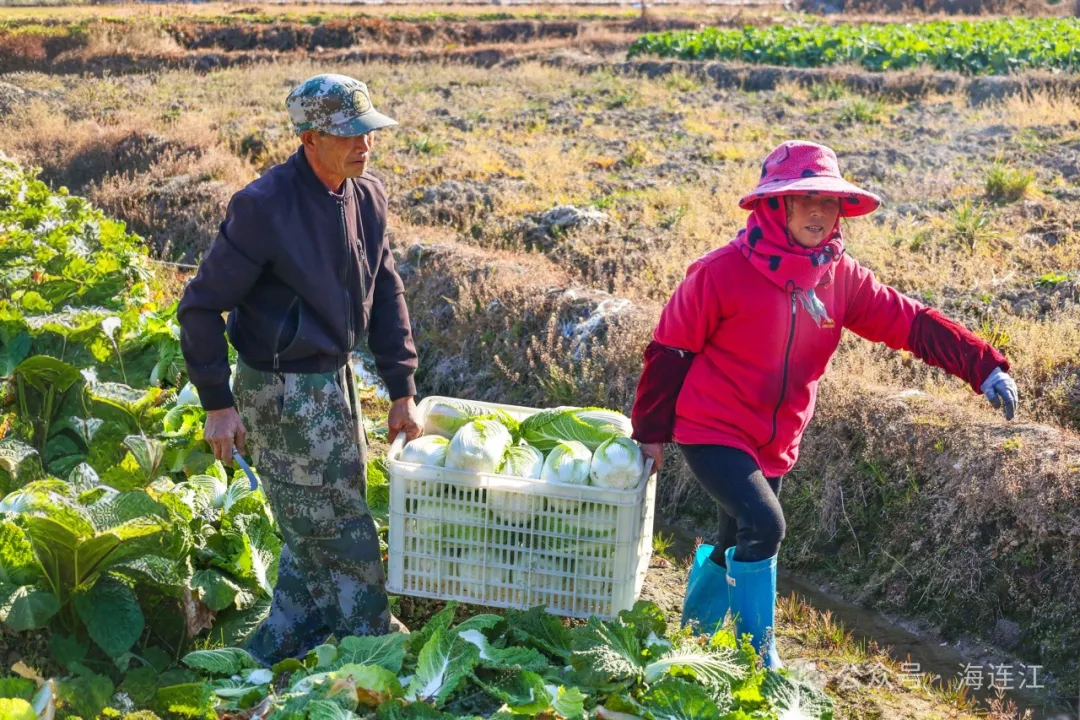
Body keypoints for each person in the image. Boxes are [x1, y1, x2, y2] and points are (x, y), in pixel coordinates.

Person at [630, 140, 1019, 670]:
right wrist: (650, 430)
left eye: (829, 201)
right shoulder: (720, 271)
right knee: (765, 526)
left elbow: (910, 323)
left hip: (776, 438)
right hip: (712, 426)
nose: (818, 212)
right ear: (776, 206)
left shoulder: (841, 276)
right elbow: (670, 349)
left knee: (733, 536)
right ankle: (756, 663)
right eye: (803, 198)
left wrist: (984, 365)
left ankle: (692, 639)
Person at [177, 73, 423, 663]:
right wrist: (217, 402)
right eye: (348, 135)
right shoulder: (264, 206)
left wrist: (401, 388)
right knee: (340, 529)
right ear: (309, 138)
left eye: (369, 132)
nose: (364, 145)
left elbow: (385, 292)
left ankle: (280, 645)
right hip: (282, 393)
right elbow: (200, 307)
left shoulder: (365, 196)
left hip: (335, 380)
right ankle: (375, 650)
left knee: (317, 519)